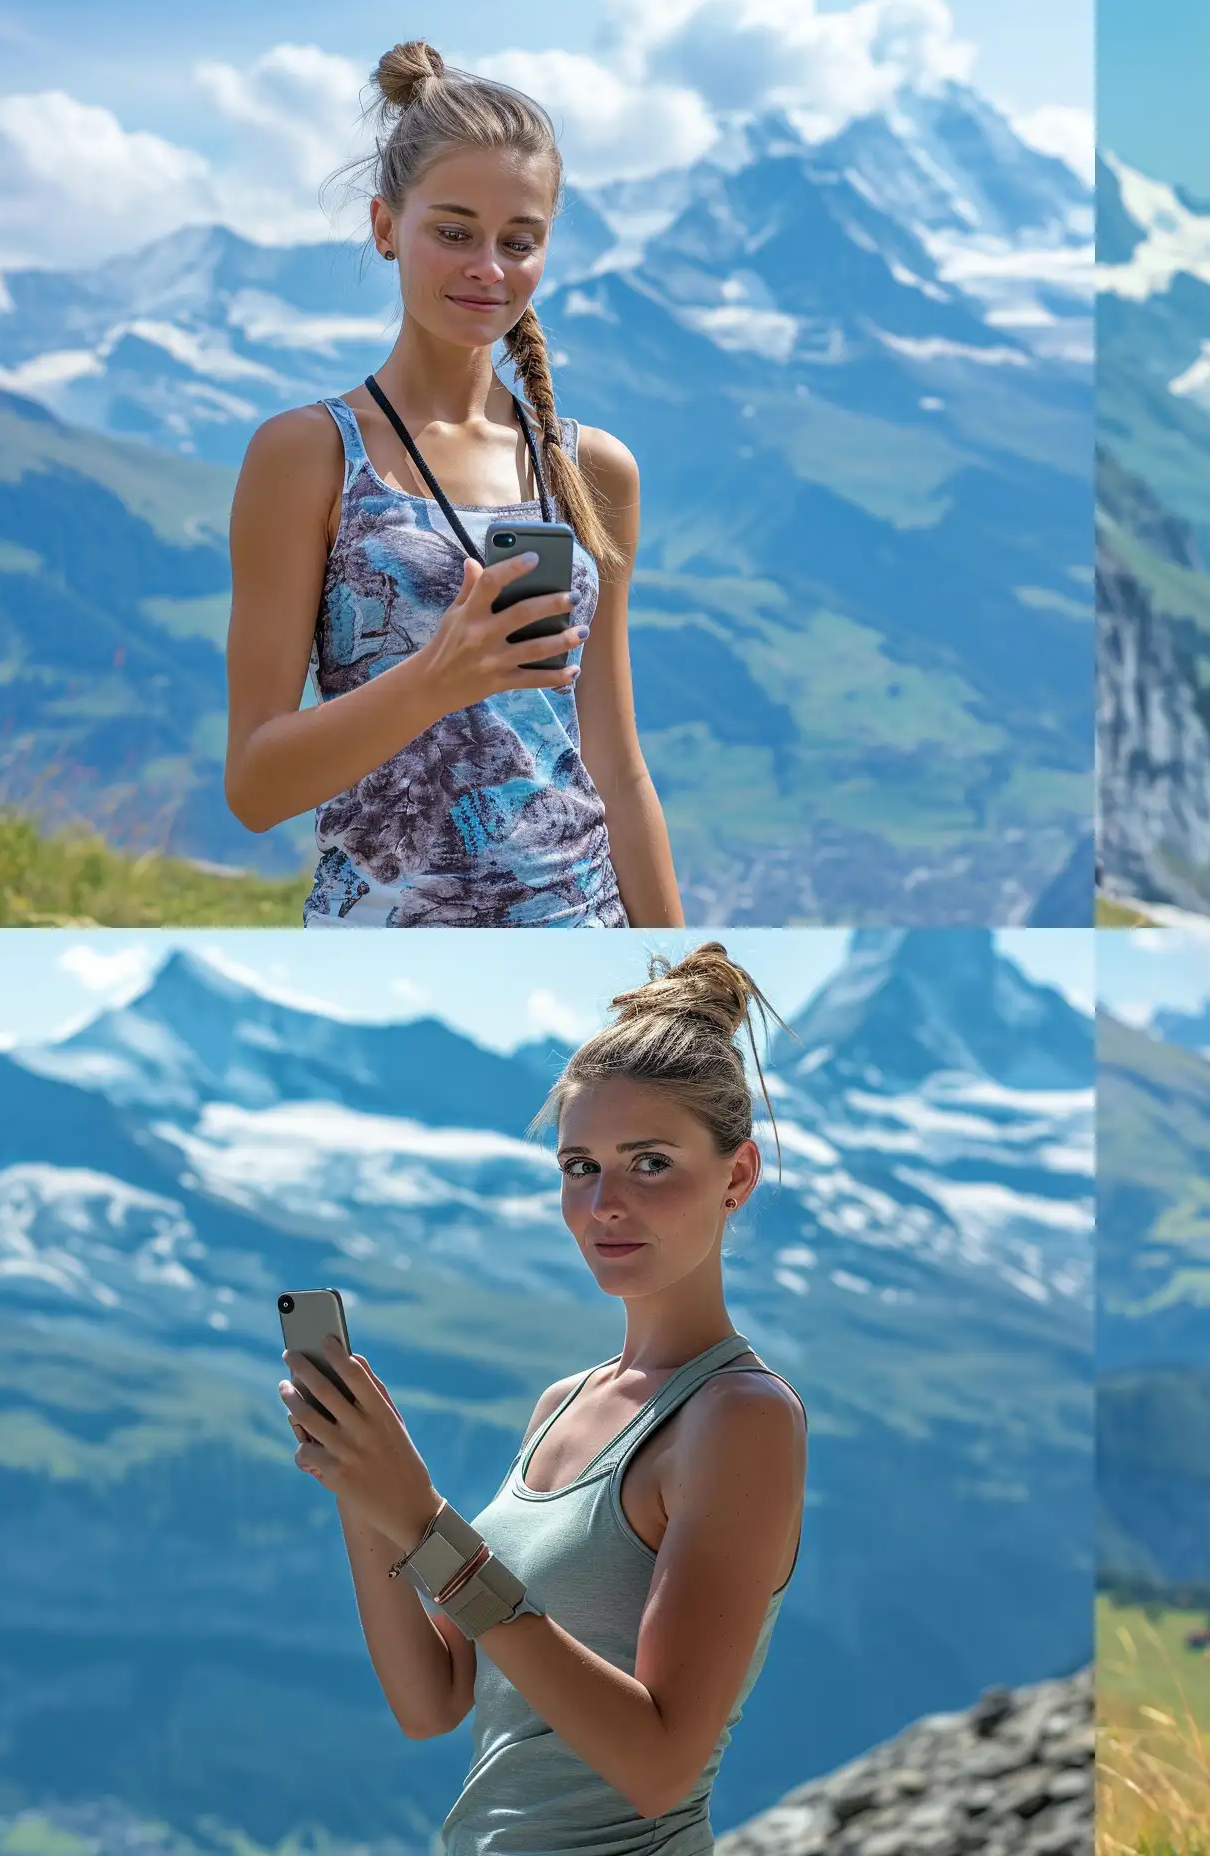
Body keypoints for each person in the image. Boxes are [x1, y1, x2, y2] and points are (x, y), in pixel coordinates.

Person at [279, 943, 805, 1853]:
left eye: (649, 1163)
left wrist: (425, 1519)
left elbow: (658, 1766)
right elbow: (433, 1700)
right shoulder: (563, 1405)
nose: (604, 1202)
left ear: (738, 1177)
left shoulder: (740, 1417)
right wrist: (367, 1498)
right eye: (579, 1166)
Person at [226, 40, 681, 927]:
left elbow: (617, 767)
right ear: (385, 225)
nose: (489, 268)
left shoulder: (591, 470)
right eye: (454, 231)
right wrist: (440, 675)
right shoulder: (306, 455)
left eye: (521, 241)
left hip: (585, 929)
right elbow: (254, 785)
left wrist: (683, 981)